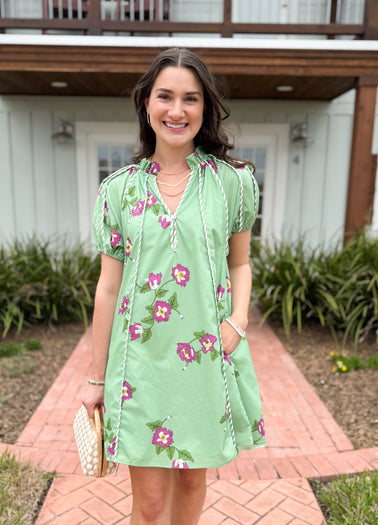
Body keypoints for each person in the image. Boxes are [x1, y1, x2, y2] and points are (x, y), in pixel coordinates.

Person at [82, 47, 265, 525]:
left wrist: (239, 321)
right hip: (140, 363)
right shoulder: (118, 189)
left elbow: (240, 264)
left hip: (204, 357)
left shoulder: (234, 183)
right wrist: (96, 379)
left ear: (204, 109)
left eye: (191, 99)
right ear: (147, 104)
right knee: (148, 504)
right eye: (165, 96)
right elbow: (107, 289)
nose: (177, 110)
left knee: (190, 481)